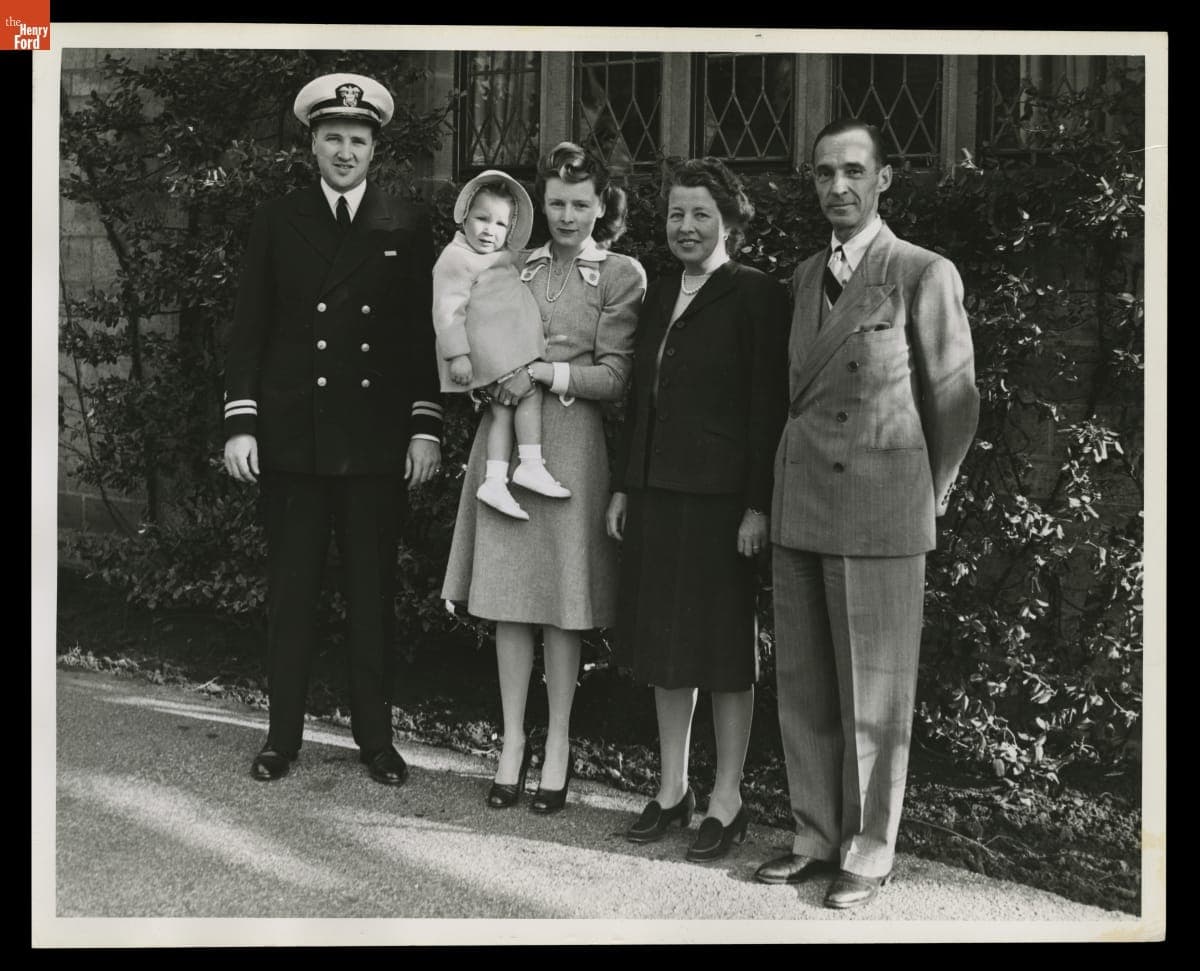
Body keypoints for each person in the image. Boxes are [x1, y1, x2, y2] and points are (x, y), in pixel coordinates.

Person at [756, 119, 979, 908]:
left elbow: (955, 401)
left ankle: (870, 848)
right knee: (806, 681)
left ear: (885, 179)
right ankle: (814, 834)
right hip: (803, 498)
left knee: (876, 689)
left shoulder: (922, 271)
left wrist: (926, 492)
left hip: (880, 508)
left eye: (854, 171)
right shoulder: (803, 272)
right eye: (824, 173)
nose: (838, 187)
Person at [222, 73, 443, 786]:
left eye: (358, 139)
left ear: (375, 147)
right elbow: (248, 328)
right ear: (312, 143)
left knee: (373, 595)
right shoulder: (276, 218)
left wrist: (424, 426)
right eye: (332, 137)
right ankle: (281, 735)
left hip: (374, 443)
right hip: (293, 440)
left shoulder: (404, 222)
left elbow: (418, 337)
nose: (345, 150)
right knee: (291, 593)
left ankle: (375, 739)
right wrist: (241, 423)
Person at [442, 141, 646, 813]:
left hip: (572, 445)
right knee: (506, 597)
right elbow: (471, 327)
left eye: (580, 204)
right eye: (555, 202)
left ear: (601, 206)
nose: (565, 215)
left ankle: (558, 741)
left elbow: (615, 377)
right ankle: (511, 740)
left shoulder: (620, 275)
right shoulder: (511, 262)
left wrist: (545, 374)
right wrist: (479, 382)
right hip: (504, 436)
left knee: (562, 604)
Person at [606, 158, 789, 862]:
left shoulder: (755, 294)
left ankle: (728, 796)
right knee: (665, 645)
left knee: (722, 651)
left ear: (730, 223)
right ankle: (672, 786)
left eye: (701, 215)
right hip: (657, 496)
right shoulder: (660, 290)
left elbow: (764, 406)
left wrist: (756, 506)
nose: (686, 226)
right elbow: (642, 405)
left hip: (720, 506)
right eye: (677, 214)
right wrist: (626, 485)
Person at [432, 169, 570, 521]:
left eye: (500, 224)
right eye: (481, 219)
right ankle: (529, 463)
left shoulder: (499, 255)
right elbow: (447, 309)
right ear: (464, 217)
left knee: (502, 411)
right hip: (487, 349)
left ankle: (494, 480)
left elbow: (518, 259)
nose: (488, 230)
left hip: (501, 347)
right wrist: (458, 355)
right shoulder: (455, 257)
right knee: (529, 393)